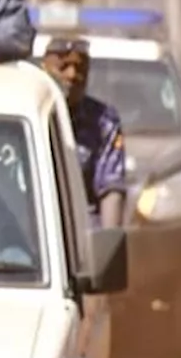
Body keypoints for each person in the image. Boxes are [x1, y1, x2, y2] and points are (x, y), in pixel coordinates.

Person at [40, 36, 126, 228]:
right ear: (44, 68)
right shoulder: (29, 112)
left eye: (80, 69)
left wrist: (108, 249)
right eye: (63, 67)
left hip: (81, 226)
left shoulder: (103, 120)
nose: (72, 75)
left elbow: (111, 189)